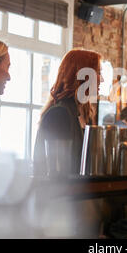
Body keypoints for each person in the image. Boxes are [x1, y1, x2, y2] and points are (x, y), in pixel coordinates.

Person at [33, 49, 102, 177]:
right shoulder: (59, 114)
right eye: (98, 72)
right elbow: (56, 174)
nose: (101, 79)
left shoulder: (87, 115)